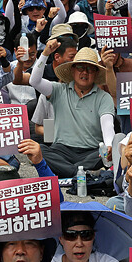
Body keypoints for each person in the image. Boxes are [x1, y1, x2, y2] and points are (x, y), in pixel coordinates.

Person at [28, 39, 115, 177]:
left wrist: (109, 146)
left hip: (91, 151)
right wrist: (45, 54)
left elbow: (107, 125)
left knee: (106, 153)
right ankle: (80, 174)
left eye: (90, 69)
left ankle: (70, 172)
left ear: (96, 73)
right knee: (41, 150)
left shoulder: (104, 97)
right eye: (80, 67)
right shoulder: (58, 90)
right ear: (73, 70)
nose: (85, 72)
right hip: (61, 150)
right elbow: (34, 81)